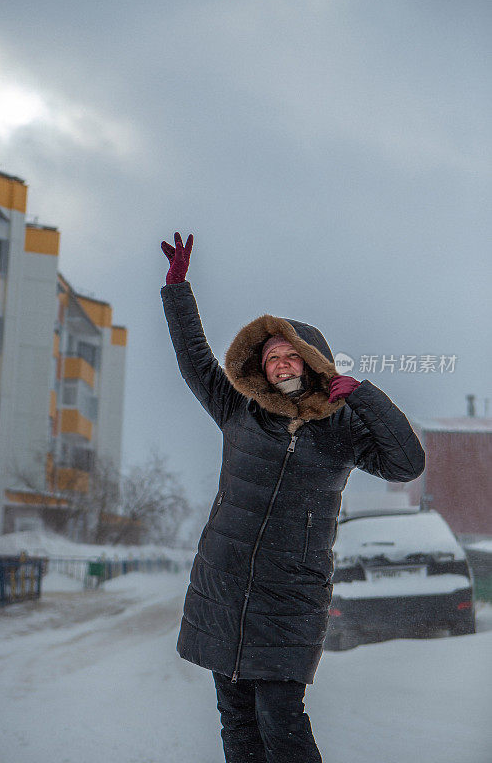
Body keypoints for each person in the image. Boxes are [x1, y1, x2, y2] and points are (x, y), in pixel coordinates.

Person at [160, 232, 425, 763]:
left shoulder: (343, 427)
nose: (280, 364)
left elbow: (406, 462)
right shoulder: (239, 410)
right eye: (271, 357)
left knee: (280, 720)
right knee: (236, 722)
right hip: (226, 585)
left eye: (289, 355)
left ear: (311, 360)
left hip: (290, 595)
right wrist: (177, 291)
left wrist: (366, 396)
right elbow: (195, 361)